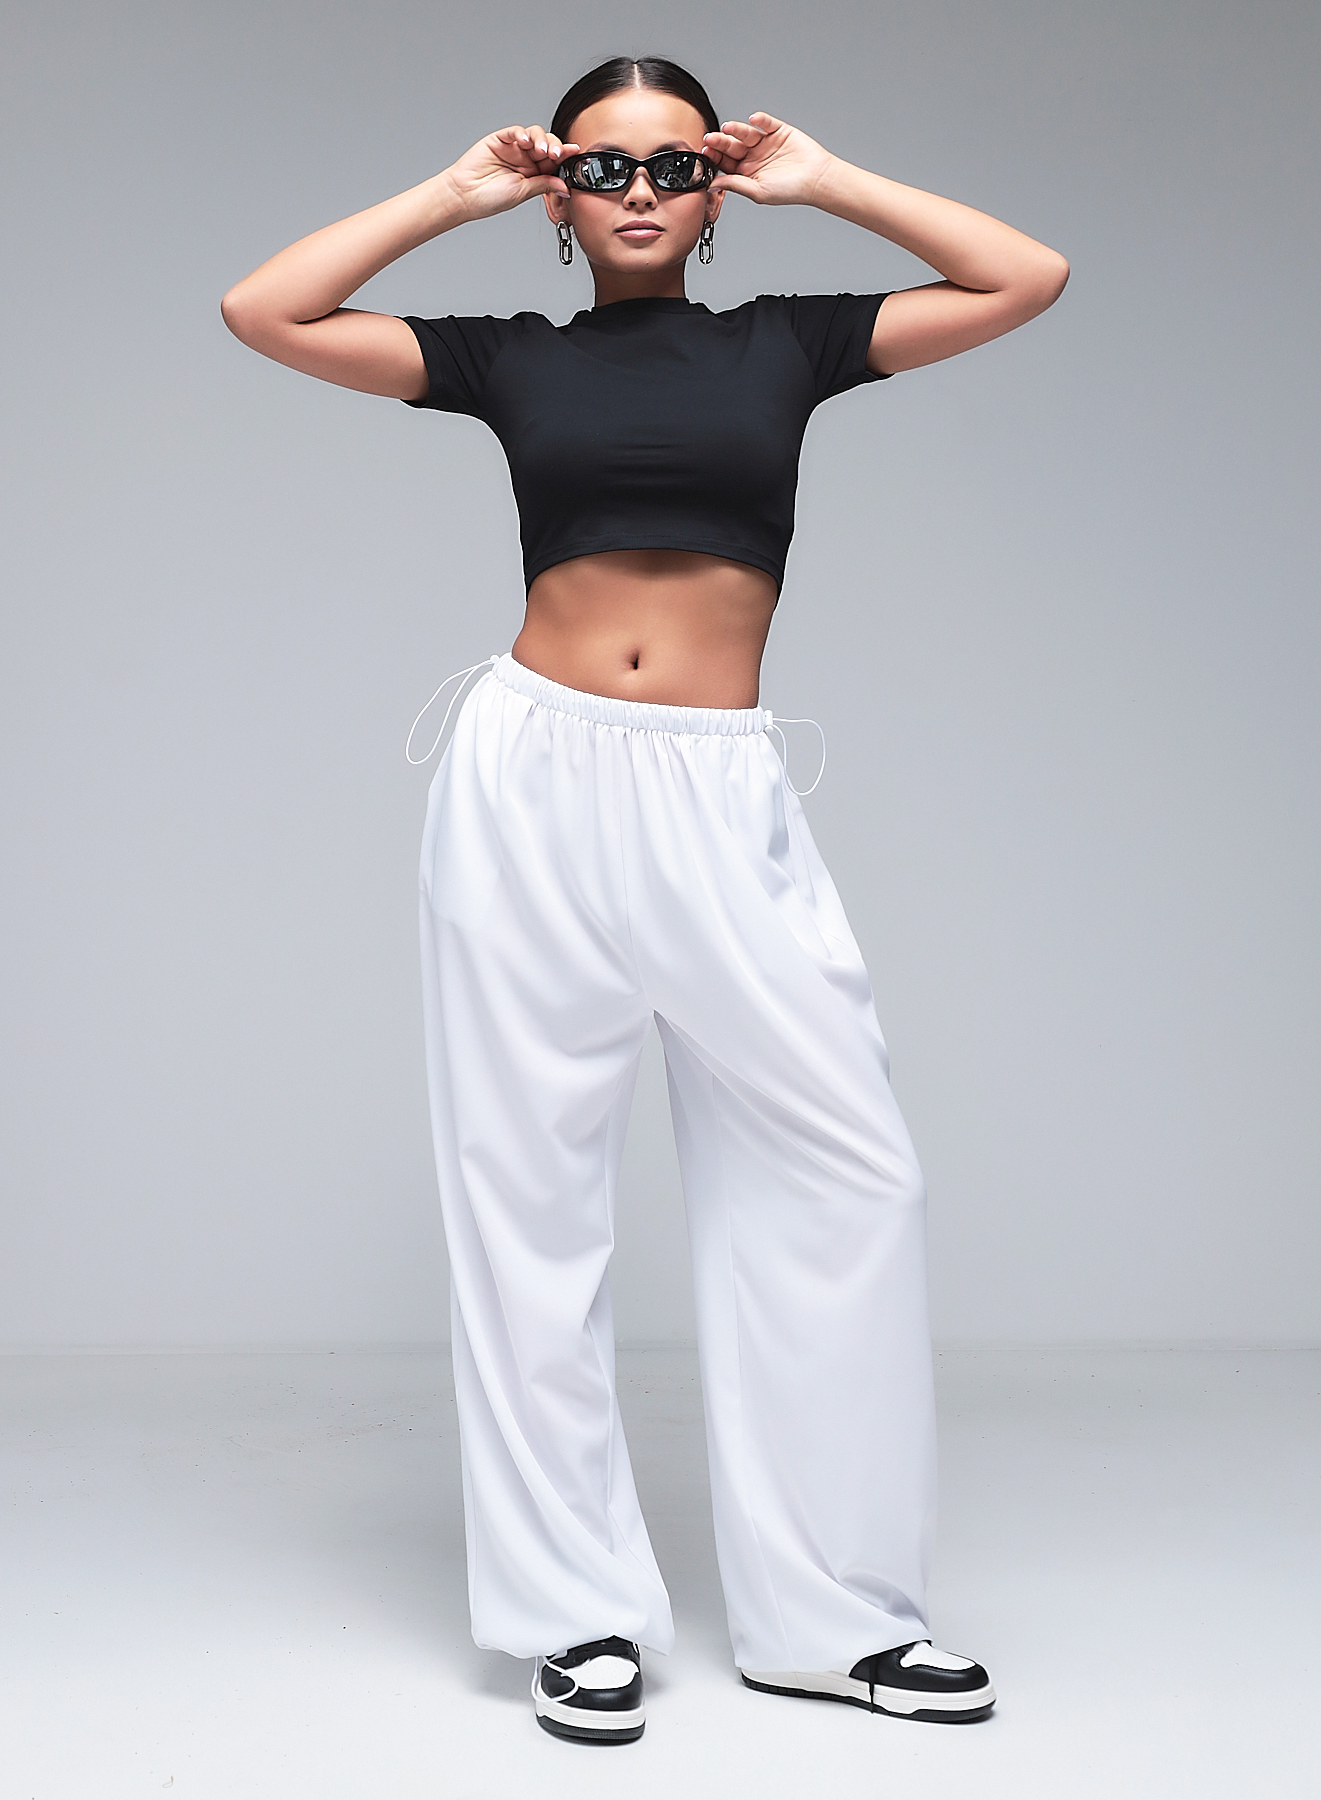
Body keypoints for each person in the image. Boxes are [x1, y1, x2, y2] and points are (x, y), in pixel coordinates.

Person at [221, 54, 1068, 1745]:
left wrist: (825, 177)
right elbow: (266, 309)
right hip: (528, 775)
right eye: (599, 168)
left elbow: (1021, 275)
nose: (637, 192)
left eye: (673, 164)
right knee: (525, 1195)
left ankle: (836, 1617)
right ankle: (573, 1615)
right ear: (557, 194)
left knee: (846, 1177)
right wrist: (454, 194)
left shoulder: (791, 344)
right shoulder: (505, 360)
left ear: (714, 187)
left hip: (717, 786)